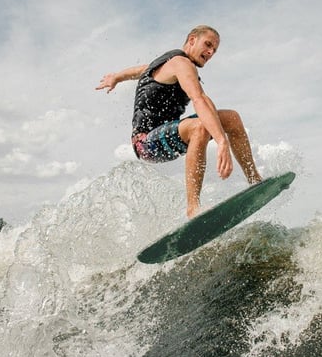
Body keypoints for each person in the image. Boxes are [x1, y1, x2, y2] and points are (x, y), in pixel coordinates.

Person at [96, 25, 262, 218]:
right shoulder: (180, 63)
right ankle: (193, 208)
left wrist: (117, 76)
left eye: (214, 50)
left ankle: (254, 179)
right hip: (146, 143)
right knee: (200, 127)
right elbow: (198, 99)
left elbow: (143, 70)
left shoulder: (169, 64)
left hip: (170, 133)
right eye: (207, 45)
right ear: (192, 40)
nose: (210, 52)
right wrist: (221, 141)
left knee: (231, 118)